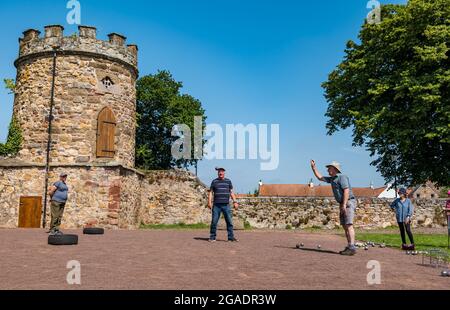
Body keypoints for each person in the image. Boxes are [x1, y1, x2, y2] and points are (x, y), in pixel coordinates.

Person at [311, 160, 357, 256]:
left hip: (348, 202)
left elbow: (346, 191)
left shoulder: (342, 177)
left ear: (335, 169)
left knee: (349, 225)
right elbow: (320, 178)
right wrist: (313, 168)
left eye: (329, 168)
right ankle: (349, 246)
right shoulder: (332, 179)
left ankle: (352, 247)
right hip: (342, 203)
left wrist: (344, 205)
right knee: (345, 226)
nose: (327, 169)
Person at [208, 167, 239, 242]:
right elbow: (211, 193)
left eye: (221, 171)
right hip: (216, 205)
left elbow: (231, 192)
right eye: (219, 172)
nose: (220, 173)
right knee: (214, 222)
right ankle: (212, 237)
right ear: (217, 173)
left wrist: (235, 201)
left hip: (226, 205)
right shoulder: (214, 181)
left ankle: (231, 238)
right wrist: (209, 202)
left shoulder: (228, 181)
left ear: (224, 172)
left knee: (229, 222)